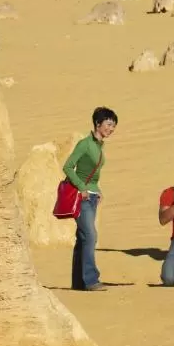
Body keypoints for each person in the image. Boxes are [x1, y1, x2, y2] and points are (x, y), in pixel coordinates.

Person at [63, 106, 118, 292]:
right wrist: (82, 187)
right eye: (108, 124)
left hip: (92, 197)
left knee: (83, 237)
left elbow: (92, 175)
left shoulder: (99, 146)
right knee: (91, 236)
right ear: (97, 123)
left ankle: (78, 283)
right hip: (82, 197)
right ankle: (91, 280)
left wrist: (97, 189)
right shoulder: (85, 144)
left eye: (113, 126)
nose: (111, 129)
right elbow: (68, 167)